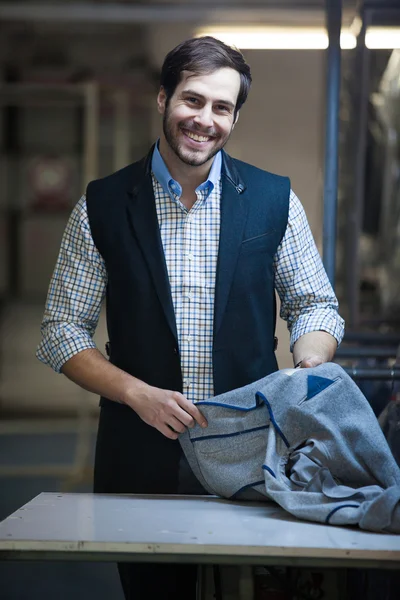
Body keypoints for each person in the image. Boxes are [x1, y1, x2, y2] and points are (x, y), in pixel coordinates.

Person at [37, 36, 344, 599]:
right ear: (163, 99)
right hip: (139, 457)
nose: (205, 120)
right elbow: (61, 329)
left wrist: (307, 361)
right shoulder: (103, 204)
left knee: (249, 589)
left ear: (233, 116)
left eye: (221, 107)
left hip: (251, 451)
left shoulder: (274, 200)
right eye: (192, 100)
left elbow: (315, 305)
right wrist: (136, 394)